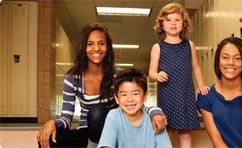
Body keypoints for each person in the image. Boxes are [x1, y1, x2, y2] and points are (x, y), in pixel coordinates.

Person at [36, 22, 167, 148]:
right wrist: (52, 123)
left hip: (116, 131)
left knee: (97, 111)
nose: (96, 48)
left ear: (107, 47)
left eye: (101, 43)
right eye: (90, 44)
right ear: (83, 47)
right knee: (48, 138)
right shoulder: (72, 78)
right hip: (87, 133)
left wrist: (155, 112)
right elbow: (66, 118)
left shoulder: (118, 75)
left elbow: (137, 104)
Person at [148, 2, 209, 148]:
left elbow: (196, 66)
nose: (173, 23)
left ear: (184, 23)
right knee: (168, 132)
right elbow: (151, 72)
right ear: (161, 25)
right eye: (168, 20)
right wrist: (157, 75)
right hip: (168, 94)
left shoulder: (189, 45)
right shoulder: (158, 47)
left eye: (177, 19)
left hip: (185, 93)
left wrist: (200, 85)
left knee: (186, 133)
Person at [97, 68, 172, 148]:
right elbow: (106, 145)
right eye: (124, 94)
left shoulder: (154, 119)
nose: (130, 99)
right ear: (116, 98)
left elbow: (164, 146)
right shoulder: (114, 116)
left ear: (145, 96)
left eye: (135, 94)